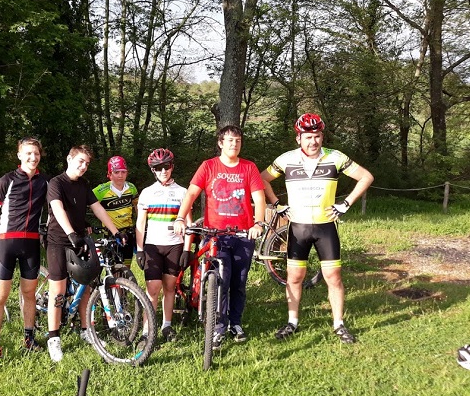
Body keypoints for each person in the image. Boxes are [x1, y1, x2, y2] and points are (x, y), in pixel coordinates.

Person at [260, 113, 374, 343]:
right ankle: (292, 322)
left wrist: (345, 204)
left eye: (317, 136)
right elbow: (261, 179)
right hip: (298, 228)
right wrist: (277, 204)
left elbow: (366, 177)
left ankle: (339, 324)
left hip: (325, 228)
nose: (313, 141)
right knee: (294, 277)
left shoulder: (335, 157)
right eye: (308, 137)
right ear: (298, 138)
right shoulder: (287, 159)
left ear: (322, 136)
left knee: (333, 277)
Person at [173, 126, 266, 347]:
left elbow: (259, 198)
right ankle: (218, 327)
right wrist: (180, 218)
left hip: (243, 235)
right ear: (221, 143)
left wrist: (258, 223)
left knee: (239, 282)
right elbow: (191, 193)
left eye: (238, 140)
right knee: (220, 282)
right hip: (215, 235)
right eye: (230, 140)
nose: (234, 144)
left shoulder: (249, 167)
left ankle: (235, 323)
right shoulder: (208, 166)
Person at [46, 145, 125, 362]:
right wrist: (70, 233)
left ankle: (85, 330)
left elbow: (98, 208)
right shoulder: (56, 183)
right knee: (58, 290)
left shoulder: (83, 184)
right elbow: (57, 208)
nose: (83, 166)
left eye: (87, 163)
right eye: (80, 161)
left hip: (79, 239)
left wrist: (115, 231)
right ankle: (54, 338)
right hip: (59, 240)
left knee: (87, 286)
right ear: (69, 159)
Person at [0, 137, 48, 357]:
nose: (33, 157)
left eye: (36, 154)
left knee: (29, 294)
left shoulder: (45, 182)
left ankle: (29, 339)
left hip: (31, 244)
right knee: (0, 297)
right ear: (20, 155)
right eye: (28, 153)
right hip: (7, 244)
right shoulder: (7, 180)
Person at [135, 148, 192, 343]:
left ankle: (166, 325)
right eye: (158, 168)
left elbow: (189, 224)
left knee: (169, 287)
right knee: (152, 289)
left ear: (172, 166)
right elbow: (141, 223)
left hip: (175, 245)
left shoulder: (183, 192)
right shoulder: (147, 193)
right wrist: (140, 249)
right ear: (153, 170)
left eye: (166, 166)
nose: (163, 171)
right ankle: (147, 331)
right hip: (153, 245)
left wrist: (187, 249)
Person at [93, 156, 138, 266]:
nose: (120, 175)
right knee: (113, 265)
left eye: (123, 172)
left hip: (128, 232)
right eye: (116, 172)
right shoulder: (100, 191)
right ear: (109, 174)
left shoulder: (132, 188)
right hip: (111, 234)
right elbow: (86, 203)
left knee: (126, 265)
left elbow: (137, 208)